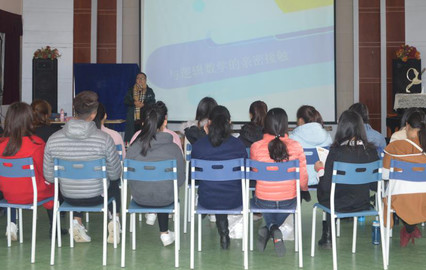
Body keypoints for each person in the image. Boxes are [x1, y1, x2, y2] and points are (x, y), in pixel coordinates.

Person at [44, 91, 123, 244]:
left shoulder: (53, 139)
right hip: (97, 195)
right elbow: (114, 174)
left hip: (68, 196)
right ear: (94, 114)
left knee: (74, 180)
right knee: (113, 181)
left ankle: (76, 222)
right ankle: (114, 220)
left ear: (75, 111)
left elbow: (49, 177)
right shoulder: (105, 139)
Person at [314, 110, 379, 249]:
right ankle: (328, 234)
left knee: (327, 193)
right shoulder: (372, 152)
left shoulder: (336, 152)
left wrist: (320, 171)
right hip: (362, 204)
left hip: (338, 204)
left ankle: (327, 236)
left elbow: (326, 187)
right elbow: (375, 186)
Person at [0, 102, 55, 241]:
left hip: (8, 193)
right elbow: (44, 172)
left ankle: (12, 224)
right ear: (29, 119)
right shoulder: (36, 143)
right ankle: (54, 227)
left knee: (14, 182)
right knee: (53, 185)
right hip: (32, 193)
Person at [250, 107, 308, 257]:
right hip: (288, 201)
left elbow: (255, 174)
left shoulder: (256, 147)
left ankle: (271, 227)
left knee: (261, 199)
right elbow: (302, 178)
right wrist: (304, 190)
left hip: (264, 201)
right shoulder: (296, 146)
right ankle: (273, 228)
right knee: (294, 200)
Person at [126, 101, 186, 247]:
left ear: (144, 121)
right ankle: (164, 232)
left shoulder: (133, 148)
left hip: (139, 197)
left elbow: (126, 177)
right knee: (163, 187)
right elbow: (180, 180)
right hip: (166, 198)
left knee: (158, 187)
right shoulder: (174, 149)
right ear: (165, 121)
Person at [383, 109, 426, 247]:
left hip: (401, 200)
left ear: (407, 126)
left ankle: (409, 229)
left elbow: (385, 175)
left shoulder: (394, 147)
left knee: (388, 194)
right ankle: (409, 229)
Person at [190, 105, 247, 249]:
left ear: (209, 122)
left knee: (215, 187)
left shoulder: (199, 146)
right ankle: (223, 232)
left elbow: (193, 175)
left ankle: (223, 232)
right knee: (222, 188)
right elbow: (246, 172)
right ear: (229, 122)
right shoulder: (238, 145)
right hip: (234, 200)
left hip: (207, 200)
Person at [289, 105, 332, 186]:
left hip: (299, 183)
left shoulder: (292, 139)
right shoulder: (328, 137)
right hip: (321, 181)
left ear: (301, 121)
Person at [123, 72, 156, 142]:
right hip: (132, 119)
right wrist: (134, 103)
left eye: (142, 78)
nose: (140, 80)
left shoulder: (149, 91)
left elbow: (152, 103)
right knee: (131, 139)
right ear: (136, 80)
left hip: (144, 118)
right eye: (138, 78)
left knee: (144, 139)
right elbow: (126, 101)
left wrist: (144, 105)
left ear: (145, 80)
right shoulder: (131, 90)